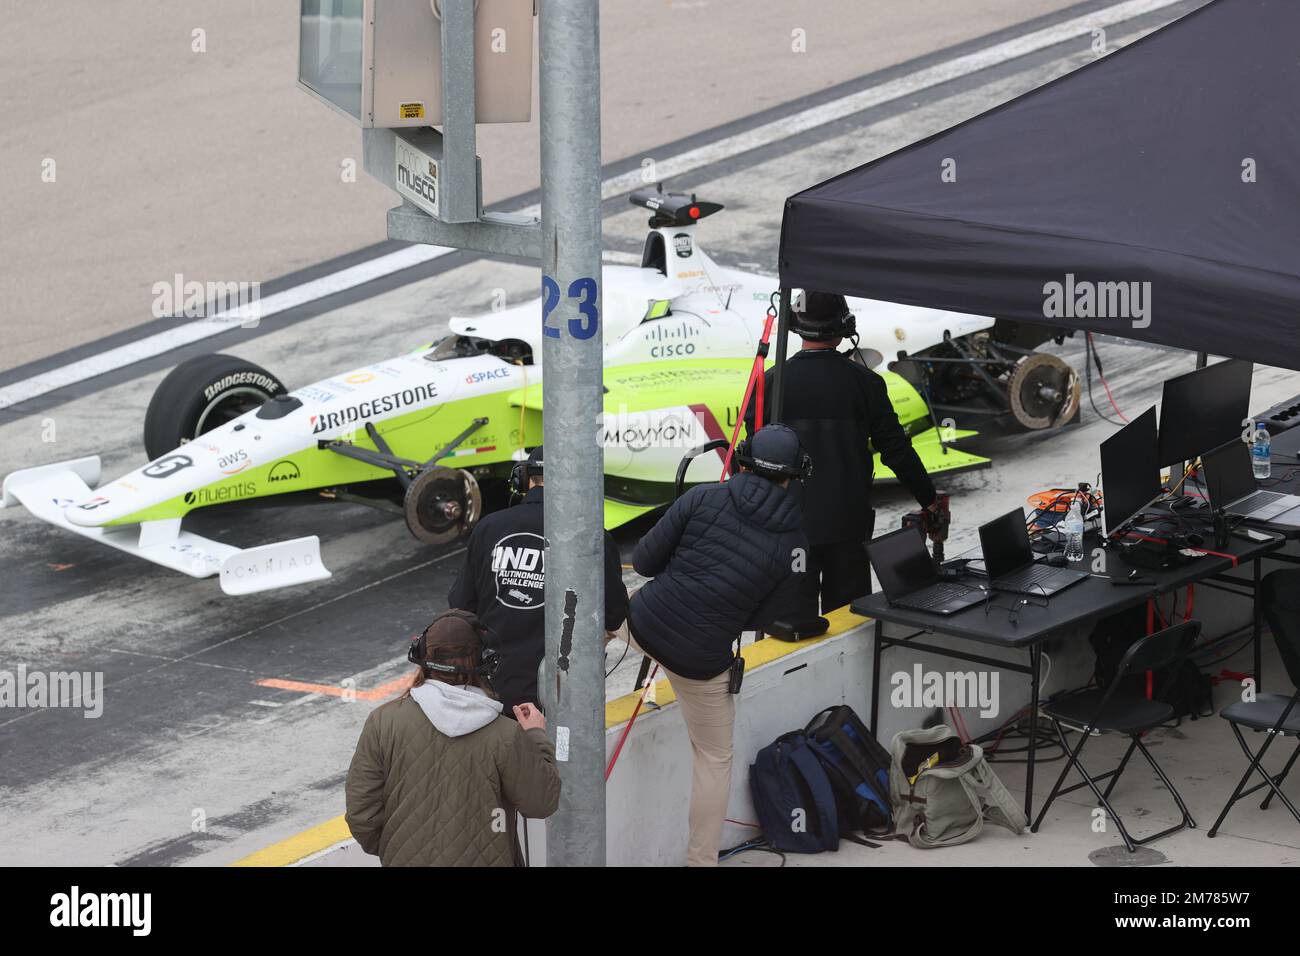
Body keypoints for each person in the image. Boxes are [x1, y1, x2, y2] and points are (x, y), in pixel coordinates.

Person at [626, 424, 809, 866]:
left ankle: (553, 721)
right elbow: (770, 619)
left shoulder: (702, 496)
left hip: (643, 622)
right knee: (713, 758)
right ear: (796, 474)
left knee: (590, 626)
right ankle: (700, 861)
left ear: (743, 458)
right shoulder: (794, 543)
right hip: (700, 661)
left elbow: (646, 563)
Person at [745, 290, 945, 632]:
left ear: (796, 328)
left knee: (787, 638)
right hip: (847, 529)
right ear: (845, 326)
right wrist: (929, 500)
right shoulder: (866, 382)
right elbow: (896, 450)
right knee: (849, 631)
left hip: (787, 532)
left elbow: (753, 461)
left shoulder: (770, 383)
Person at [345, 609, 560, 866]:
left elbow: (361, 815)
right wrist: (536, 736)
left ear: (423, 655)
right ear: (482, 660)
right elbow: (542, 803)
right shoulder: (506, 734)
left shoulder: (382, 722)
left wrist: (398, 850)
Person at [448, 446, 630, 716]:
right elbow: (615, 615)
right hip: (565, 692)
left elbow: (460, 606)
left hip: (493, 688)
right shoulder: (591, 536)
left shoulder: (488, 528)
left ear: (523, 479)